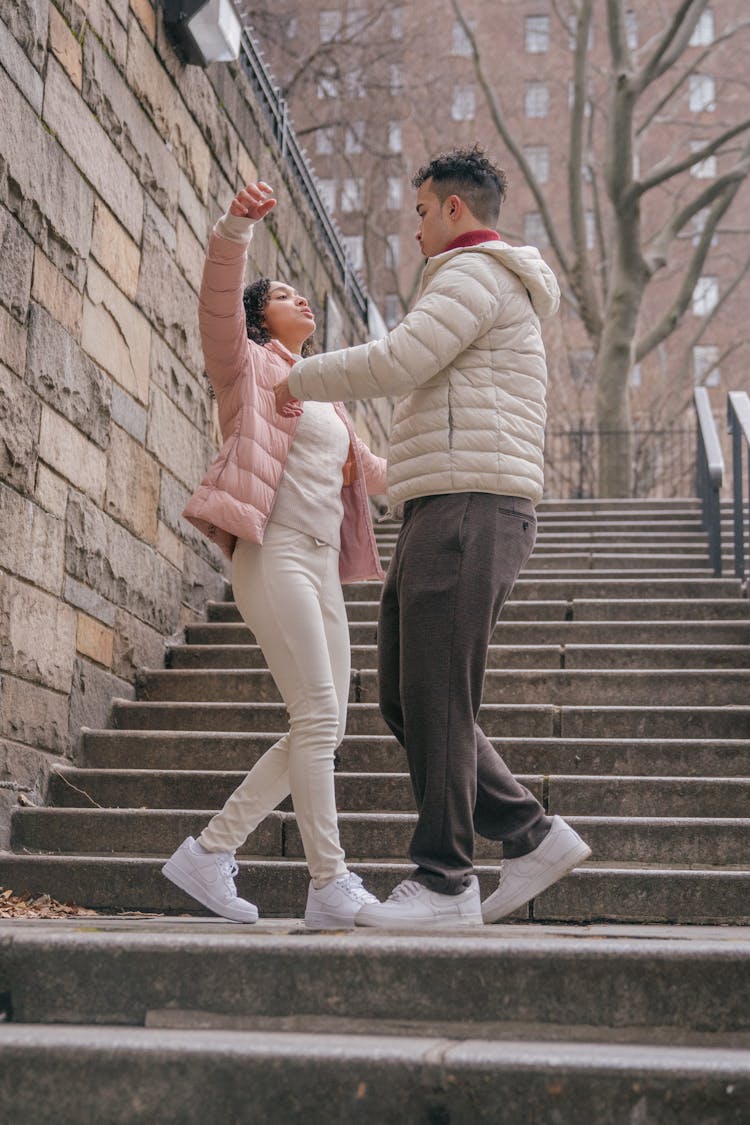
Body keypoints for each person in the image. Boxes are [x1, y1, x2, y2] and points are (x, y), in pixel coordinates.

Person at [274, 146, 591, 929]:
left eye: (419, 212)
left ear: (454, 209)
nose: (412, 228)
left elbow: (397, 358)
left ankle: (446, 880)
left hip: (469, 505)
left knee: (437, 698)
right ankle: (529, 833)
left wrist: (294, 375)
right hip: (444, 502)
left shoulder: (472, 273)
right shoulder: (472, 280)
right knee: (408, 698)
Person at [162, 181, 387, 929]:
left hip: (324, 566)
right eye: (287, 295)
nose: (304, 302)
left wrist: (466, 463)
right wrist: (236, 228)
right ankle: (329, 881)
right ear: (264, 317)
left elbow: (377, 472)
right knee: (319, 711)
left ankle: (209, 849)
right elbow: (216, 305)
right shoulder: (249, 368)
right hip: (275, 552)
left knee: (321, 726)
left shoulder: (328, 395)